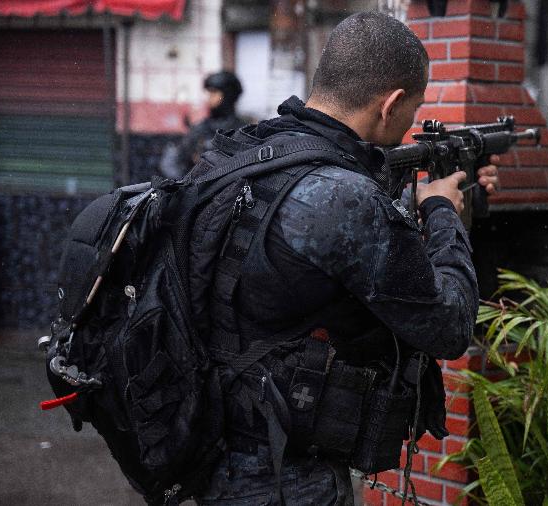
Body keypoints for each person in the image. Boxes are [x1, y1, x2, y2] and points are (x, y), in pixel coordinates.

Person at [192, 12, 499, 505]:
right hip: (288, 478)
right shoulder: (342, 196)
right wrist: (443, 210)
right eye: (413, 109)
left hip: (218, 446)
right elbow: (450, 326)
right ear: (392, 103)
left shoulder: (247, 153)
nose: (410, 125)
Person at [160, 71, 247, 179]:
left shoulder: (243, 130)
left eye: (214, 93)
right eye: (209, 93)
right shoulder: (200, 129)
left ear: (228, 95)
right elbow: (173, 162)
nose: (209, 98)